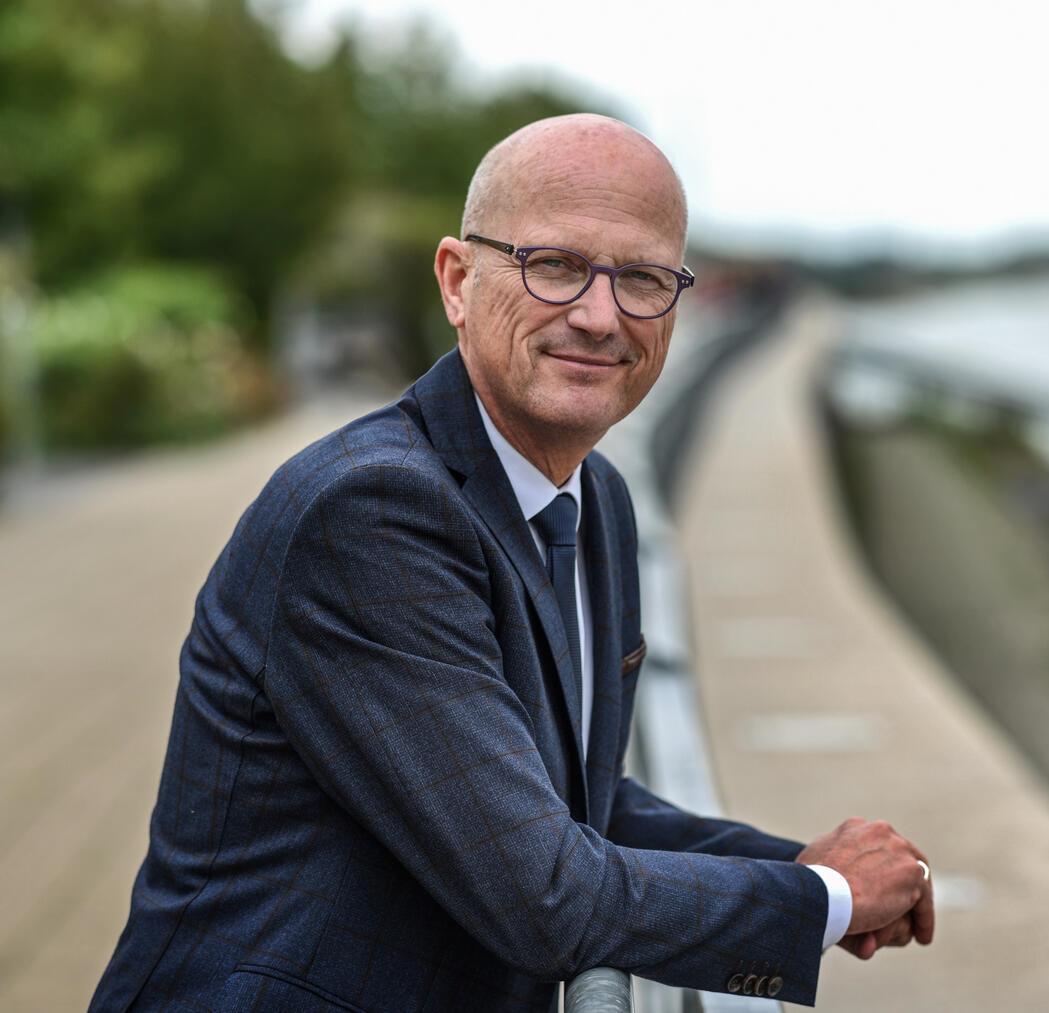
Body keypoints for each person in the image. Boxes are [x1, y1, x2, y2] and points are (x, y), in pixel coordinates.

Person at [91, 114, 934, 1012]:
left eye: (643, 278)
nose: (600, 315)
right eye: (556, 265)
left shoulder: (595, 498)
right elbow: (544, 895)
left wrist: (801, 868)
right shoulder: (371, 513)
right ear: (458, 281)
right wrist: (823, 899)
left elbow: (580, 797)